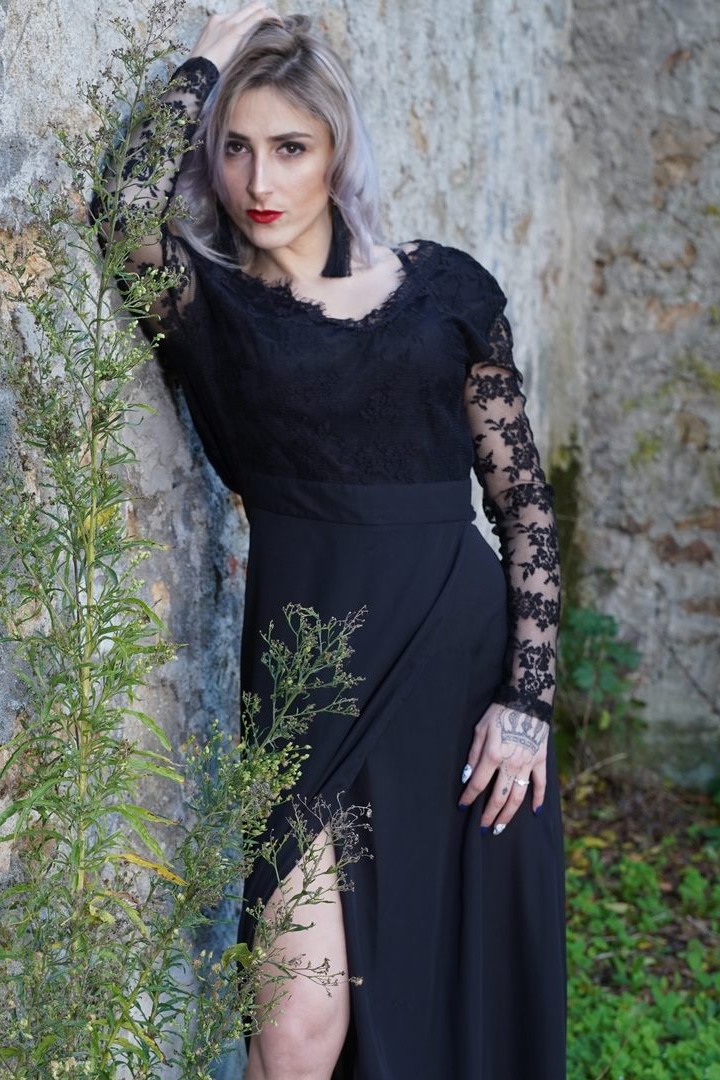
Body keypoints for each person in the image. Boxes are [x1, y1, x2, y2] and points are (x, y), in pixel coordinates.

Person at [105, 6, 565, 1078]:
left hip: (460, 685)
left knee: (459, 999)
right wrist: (214, 51)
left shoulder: (446, 292)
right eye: (234, 148)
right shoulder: (213, 309)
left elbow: (524, 505)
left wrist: (529, 701)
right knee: (294, 1027)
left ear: (336, 153)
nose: (258, 180)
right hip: (310, 691)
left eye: (290, 147)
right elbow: (120, 205)